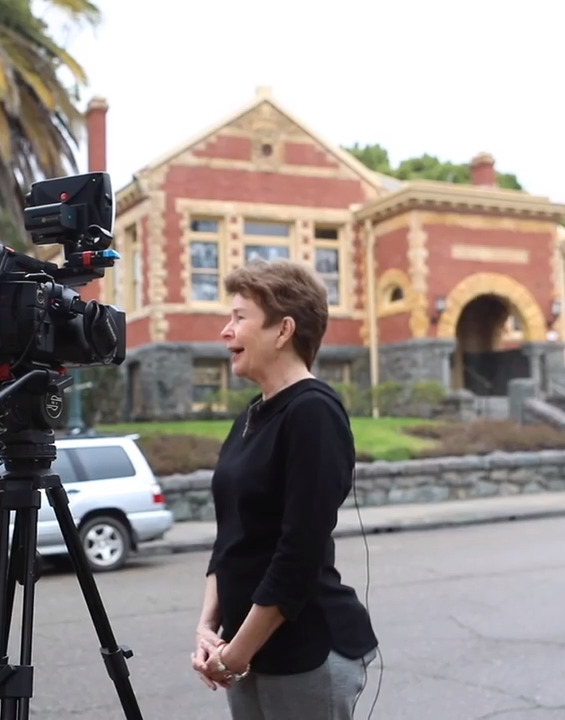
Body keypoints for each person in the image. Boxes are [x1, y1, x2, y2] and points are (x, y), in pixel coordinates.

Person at [190, 258, 379, 719]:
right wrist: (208, 627)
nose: (225, 330)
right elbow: (230, 536)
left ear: (283, 330)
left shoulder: (313, 413)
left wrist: (235, 655)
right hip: (245, 649)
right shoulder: (252, 414)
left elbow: (299, 553)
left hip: (304, 651)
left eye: (239, 317)